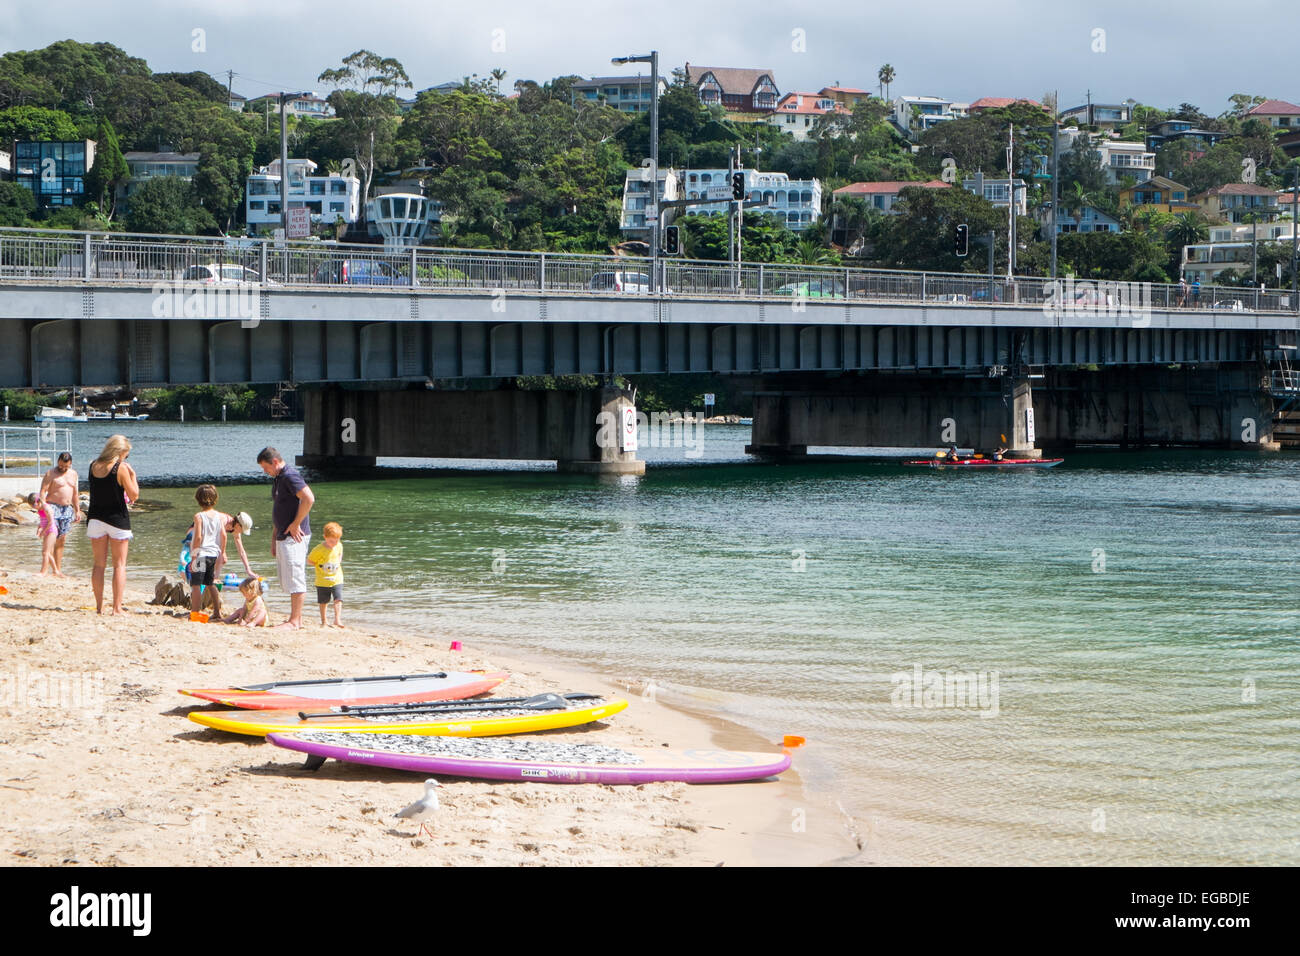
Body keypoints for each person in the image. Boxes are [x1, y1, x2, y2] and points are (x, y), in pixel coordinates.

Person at [256, 447, 314, 629]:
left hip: (295, 535)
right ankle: (294, 619)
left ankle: (295, 621)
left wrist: (296, 524)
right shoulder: (279, 479)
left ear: (274, 462)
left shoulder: (290, 476)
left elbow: (309, 498)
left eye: (266, 468)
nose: (265, 472)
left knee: (295, 576)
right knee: (288, 577)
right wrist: (274, 536)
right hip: (283, 534)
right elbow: (281, 508)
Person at [86, 435, 139, 615]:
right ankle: (116, 608)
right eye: (126, 454)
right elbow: (134, 496)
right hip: (116, 519)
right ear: (120, 452)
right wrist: (133, 475)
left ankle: (99, 607)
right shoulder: (120, 468)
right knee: (119, 565)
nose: (126, 458)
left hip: (95, 518)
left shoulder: (93, 465)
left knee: (99, 564)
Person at [37, 452, 81, 577]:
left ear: (70, 464)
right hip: (53, 507)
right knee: (50, 538)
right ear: (58, 462)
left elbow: (75, 494)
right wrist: (44, 507)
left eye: (65, 466)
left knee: (61, 540)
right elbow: (43, 491)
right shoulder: (50, 473)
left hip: (66, 509)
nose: (62, 468)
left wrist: (77, 510)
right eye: (60, 465)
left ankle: (57, 570)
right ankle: (45, 569)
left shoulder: (73, 474)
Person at [189, 484, 228, 618]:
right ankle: (217, 612)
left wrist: (194, 557)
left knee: (196, 585)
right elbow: (223, 535)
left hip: (201, 554)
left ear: (198, 499)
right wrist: (222, 552)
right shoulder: (218, 516)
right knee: (210, 583)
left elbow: (198, 537)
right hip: (213, 554)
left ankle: (195, 612)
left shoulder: (199, 516)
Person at [308, 521, 345, 628]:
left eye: (336, 541)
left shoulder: (339, 546)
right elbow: (310, 560)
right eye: (331, 541)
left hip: (337, 579)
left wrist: (338, 561)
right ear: (325, 537)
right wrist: (319, 566)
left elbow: (339, 555)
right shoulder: (319, 549)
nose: (334, 543)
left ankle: (337, 619)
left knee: (338, 599)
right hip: (322, 580)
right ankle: (324, 620)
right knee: (323, 601)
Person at [215, 510, 255, 580]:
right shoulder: (224, 520)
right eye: (242, 530)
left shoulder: (234, 528)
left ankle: (214, 579)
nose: (242, 532)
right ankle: (212, 580)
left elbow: (241, 551)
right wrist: (223, 553)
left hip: (211, 536)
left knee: (222, 559)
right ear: (238, 525)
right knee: (221, 557)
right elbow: (223, 536)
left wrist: (248, 570)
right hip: (198, 532)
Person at [28, 493, 55, 575]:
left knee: (45, 552)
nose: (33, 508)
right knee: (47, 553)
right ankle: (56, 570)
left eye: (33, 506)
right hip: (47, 530)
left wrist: (43, 531)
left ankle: (43, 572)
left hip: (51, 531)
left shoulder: (46, 508)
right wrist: (39, 528)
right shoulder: (40, 509)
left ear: (37, 502)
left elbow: (51, 522)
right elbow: (43, 521)